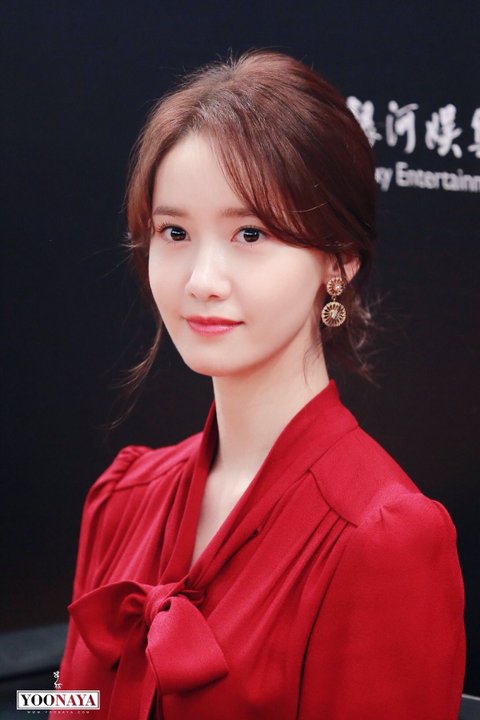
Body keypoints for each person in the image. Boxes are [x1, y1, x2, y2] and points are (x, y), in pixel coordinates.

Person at [52, 49, 465, 720]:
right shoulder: (122, 499)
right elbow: (70, 700)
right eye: (174, 232)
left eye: (250, 233)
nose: (201, 280)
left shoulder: (382, 539)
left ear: (338, 262)